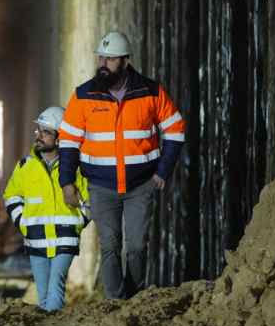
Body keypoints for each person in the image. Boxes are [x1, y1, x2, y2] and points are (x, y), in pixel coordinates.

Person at [58, 31, 185, 300]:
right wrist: (66, 181)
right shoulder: (83, 95)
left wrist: (162, 171)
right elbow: (68, 141)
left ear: (125, 61)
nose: (104, 63)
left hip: (141, 185)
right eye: (101, 57)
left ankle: (135, 297)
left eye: (111, 59)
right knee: (110, 246)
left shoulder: (151, 92)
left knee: (137, 246)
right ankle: (115, 302)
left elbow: (175, 130)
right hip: (102, 186)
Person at [5, 107, 91, 311]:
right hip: (35, 238)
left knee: (55, 287)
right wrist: (22, 223)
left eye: (46, 132)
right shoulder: (25, 165)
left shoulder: (76, 167)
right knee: (42, 294)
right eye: (38, 131)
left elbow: (90, 199)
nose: (39, 136)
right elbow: (11, 196)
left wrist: (79, 222)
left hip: (65, 237)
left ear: (60, 138)